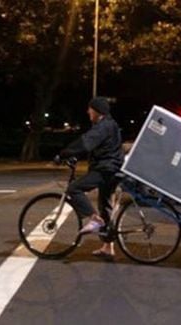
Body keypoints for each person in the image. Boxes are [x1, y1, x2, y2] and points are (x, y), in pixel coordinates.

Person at [59, 97, 124, 259]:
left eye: (90, 109)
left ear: (97, 111)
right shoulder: (110, 124)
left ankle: (94, 219)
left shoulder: (103, 126)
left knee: (74, 188)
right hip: (112, 169)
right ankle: (108, 248)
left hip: (106, 169)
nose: (88, 112)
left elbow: (85, 142)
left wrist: (64, 154)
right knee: (105, 206)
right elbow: (97, 147)